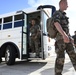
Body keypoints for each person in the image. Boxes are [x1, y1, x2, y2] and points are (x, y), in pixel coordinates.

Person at [53, 0, 76, 75]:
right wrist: (64, 35)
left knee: (74, 56)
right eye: (66, 4)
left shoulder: (64, 15)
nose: (67, 6)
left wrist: (69, 37)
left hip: (67, 39)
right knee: (60, 59)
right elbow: (56, 23)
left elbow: (66, 29)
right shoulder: (57, 13)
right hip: (60, 40)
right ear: (62, 4)